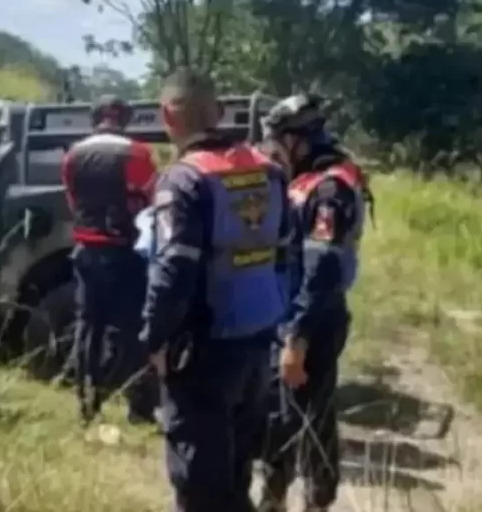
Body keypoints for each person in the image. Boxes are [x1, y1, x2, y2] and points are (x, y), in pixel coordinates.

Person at [142, 69, 292, 512]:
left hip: (203, 351)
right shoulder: (268, 171)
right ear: (221, 112)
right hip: (258, 337)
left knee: (199, 483)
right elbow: (286, 253)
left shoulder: (183, 180)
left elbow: (174, 268)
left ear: (168, 115)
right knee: (235, 472)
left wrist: (153, 338)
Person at [257, 94, 369, 512]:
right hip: (294, 314)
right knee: (287, 413)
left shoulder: (328, 187)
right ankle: (278, 498)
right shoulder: (308, 179)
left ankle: (308, 502)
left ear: (297, 139)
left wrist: (297, 338)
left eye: (278, 140)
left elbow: (321, 269)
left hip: (312, 319)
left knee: (304, 418)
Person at [61, 95, 159, 426]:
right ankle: (138, 405)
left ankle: (87, 402)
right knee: (133, 327)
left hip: (86, 249)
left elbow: (72, 200)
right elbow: (151, 199)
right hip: (125, 249)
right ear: (125, 119)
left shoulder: (74, 154)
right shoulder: (139, 152)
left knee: (89, 326)